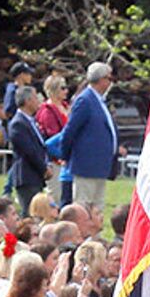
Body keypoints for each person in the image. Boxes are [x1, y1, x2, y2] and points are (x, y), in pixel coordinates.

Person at [57, 62, 119, 216]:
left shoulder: (99, 100)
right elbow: (70, 131)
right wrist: (65, 155)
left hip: (100, 165)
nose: (111, 82)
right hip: (86, 165)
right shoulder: (85, 100)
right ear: (101, 79)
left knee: (97, 208)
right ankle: (80, 236)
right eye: (108, 78)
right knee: (82, 207)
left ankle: (94, 237)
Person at [7, 87, 50, 215]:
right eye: (36, 98)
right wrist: (44, 168)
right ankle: (11, 236)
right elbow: (29, 151)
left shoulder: (31, 121)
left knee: (36, 214)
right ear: (27, 101)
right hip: (26, 176)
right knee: (28, 215)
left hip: (35, 176)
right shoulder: (18, 123)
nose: (39, 102)